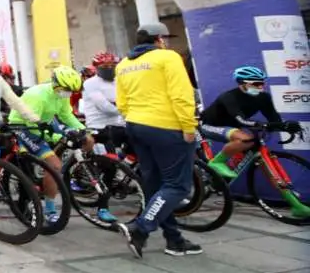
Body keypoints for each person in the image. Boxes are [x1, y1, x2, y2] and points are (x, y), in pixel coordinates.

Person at [115, 23, 202, 258]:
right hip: (166, 127)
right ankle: (140, 229)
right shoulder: (167, 57)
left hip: (136, 126)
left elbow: (121, 102)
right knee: (177, 185)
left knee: (156, 186)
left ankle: (174, 240)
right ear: (159, 39)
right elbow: (181, 94)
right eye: (165, 38)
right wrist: (188, 126)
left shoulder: (123, 64)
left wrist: (134, 117)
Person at [7, 66, 91, 225]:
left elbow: (66, 115)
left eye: (72, 90)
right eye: (67, 89)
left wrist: (82, 130)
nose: (69, 93)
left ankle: (52, 175)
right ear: (56, 85)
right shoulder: (38, 96)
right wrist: (58, 135)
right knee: (54, 166)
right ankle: (49, 208)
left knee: (82, 139)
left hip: (44, 123)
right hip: (24, 125)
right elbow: (32, 123)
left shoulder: (62, 93)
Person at [200, 66, 302, 192]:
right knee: (246, 139)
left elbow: (274, 120)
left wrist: (285, 126)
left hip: (233, 127)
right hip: (210, 125)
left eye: (262, 83)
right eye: (257, 84)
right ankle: (217, 163)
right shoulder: (229, 97)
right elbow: (241, 120)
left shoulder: (264, 97)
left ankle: (294, 203)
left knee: (264, 160)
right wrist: (264, 125)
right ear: (242, 84)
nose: (261, 87)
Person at [82, 52, 128, 156]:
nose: (110, 68)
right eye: (105, 66)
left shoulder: (119, 81)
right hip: (99, 127)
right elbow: (106, 107)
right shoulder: (90, 83)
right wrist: (127, 109)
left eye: (113, 66)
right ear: (97, 68)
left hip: (119, 125)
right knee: (110, 162)